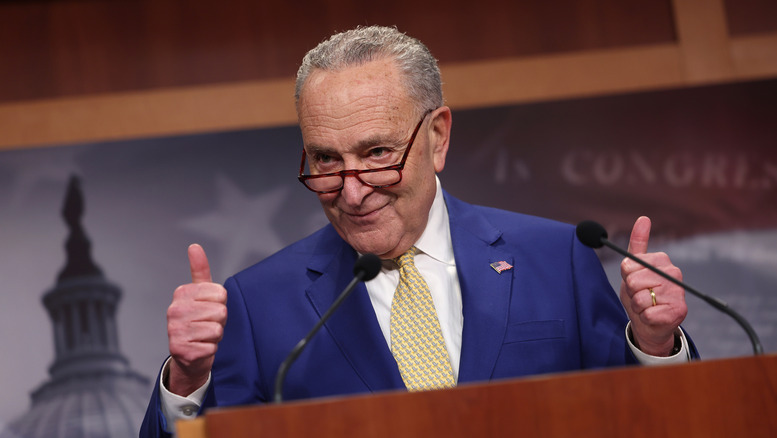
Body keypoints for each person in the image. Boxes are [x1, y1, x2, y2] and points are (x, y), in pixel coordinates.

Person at [140, 25, 696, 437]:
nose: (352, 191)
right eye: (326, 160)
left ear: (438, 137)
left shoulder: (557, 259)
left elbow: (643, 421)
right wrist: (188, 384)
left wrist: (653, 346)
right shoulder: (257, 306)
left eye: (377, 153)